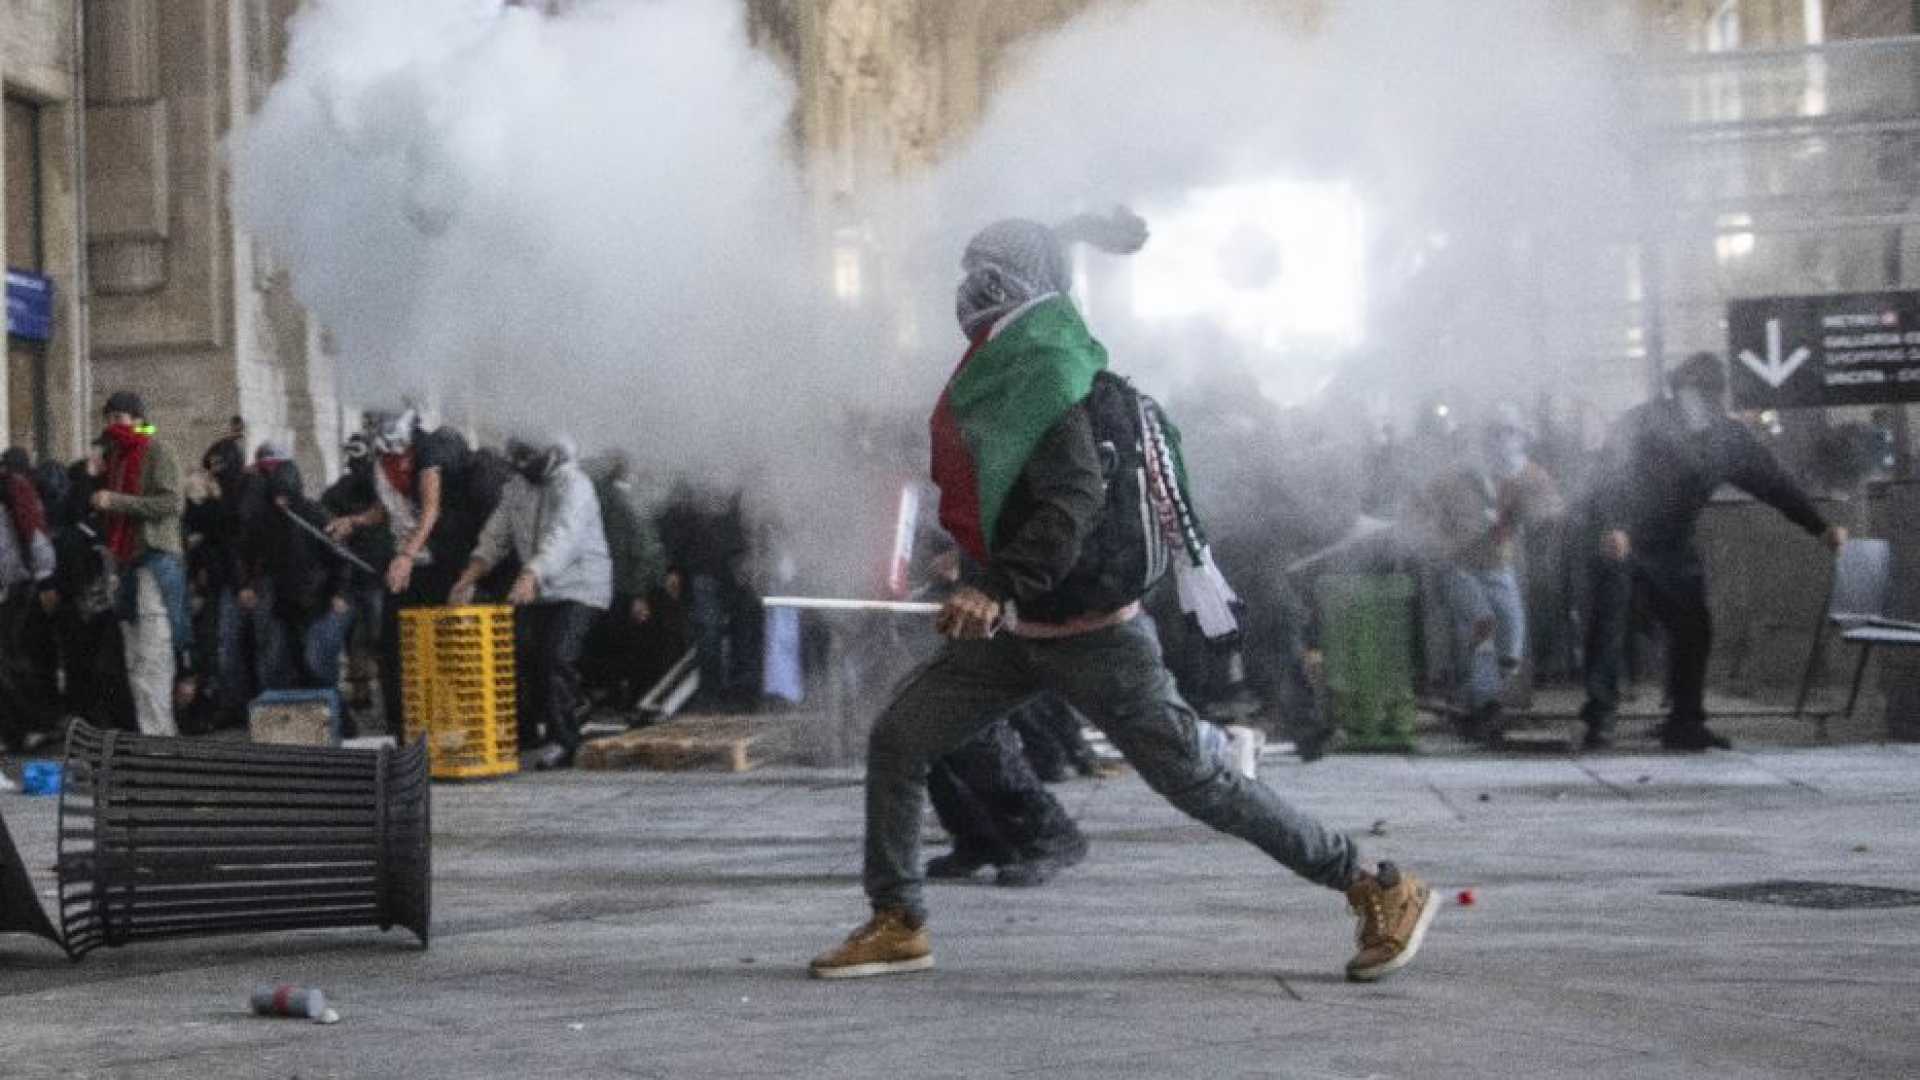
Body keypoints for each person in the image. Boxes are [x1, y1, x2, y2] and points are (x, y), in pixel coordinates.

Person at [810, 213, 1438, 984]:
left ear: (1018, 283)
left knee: (1203, 785)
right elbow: (1023, 496)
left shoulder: (1050, 374)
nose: (968, 287)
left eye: (984, 270)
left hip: (1094, 640)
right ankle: (898, 921)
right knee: (901, 739)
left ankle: (1377, 886)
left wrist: (997, 584)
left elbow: (1072, 499)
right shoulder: (1024, 367)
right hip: (1023, 634)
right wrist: (974, 563)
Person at [1580, 352, 1846, 751]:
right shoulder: (1641, 422)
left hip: (1671, 545)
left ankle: (1685, 722)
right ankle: (1600, 718)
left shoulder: (1727, 440)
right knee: (1610, 625)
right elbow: (1607, 476)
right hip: (1622, 537)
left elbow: (1773, 483)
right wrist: (1613, 524)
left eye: (1704, 394)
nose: (1695, 403)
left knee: (1693, 626)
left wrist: (1820, 527)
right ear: (1676, 390)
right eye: (1689, 392)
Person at [450, 436, 611, 769]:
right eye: (518, 460)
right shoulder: (516, 488)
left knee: (555, 657)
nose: (523, 467)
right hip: (538, 587)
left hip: (579, 586)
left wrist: (531, 575)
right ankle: (535, 728)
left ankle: (564, 741)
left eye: (528, 459)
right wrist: (468, 577)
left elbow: (563, 538)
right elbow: (496, 536)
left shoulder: (575, 486)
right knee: (517, 652)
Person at [327, 409, 481, 736]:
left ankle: (450, 721)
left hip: (437, 561)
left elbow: (430, 509)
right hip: (405, 562)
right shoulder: (381, 462)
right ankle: (401, 725)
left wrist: (408, 554)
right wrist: (355, 521)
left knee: (441, 642)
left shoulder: (427, 452)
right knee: (392, 645)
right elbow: (386, 508)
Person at [1416, 407, 1563, 745]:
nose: (1502, 441)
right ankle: (1485, 705)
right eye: (1496, 433)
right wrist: (1441, 543)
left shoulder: (1526, 474)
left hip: (1497, 565)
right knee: (1482, 624)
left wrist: (1534, 516)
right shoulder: (1454, 477)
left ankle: (1477, 695)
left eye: (1509, 433)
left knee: (1511, 634)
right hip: (1457, 565)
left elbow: (1551, 508)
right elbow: (1421, 513)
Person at [92, 391, 190, 736]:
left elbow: (172, 503)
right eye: (108, 419)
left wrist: (117, 501)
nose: (112, 425)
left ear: (137, 419)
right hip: (127, 561)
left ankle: (159, 736)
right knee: (135, 657)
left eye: (119, 418)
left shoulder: (157, 449)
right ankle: (151, 734)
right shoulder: (117, 457)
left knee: (153, 652)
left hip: (155, 557)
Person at [0, 447, 58, 751]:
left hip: (15, 585)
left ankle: (28, 726)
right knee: (12, 658)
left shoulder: (13, 489)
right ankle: (22, 728)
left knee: (11, 659)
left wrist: (45, 578)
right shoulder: (14, 488)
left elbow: (33, 535)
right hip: (15, 583)